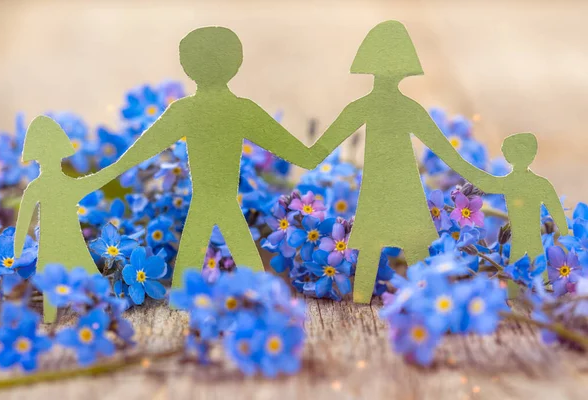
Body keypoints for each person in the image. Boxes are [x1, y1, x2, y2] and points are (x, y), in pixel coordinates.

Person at [111, 27, 320, 286]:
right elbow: (301, 154)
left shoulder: (185, 109)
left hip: (207, 199)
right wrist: (323, 148)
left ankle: (183, 298)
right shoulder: (241, 109)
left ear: (187, 66)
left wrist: (109, 173)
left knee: (189, 265)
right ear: (235, 63)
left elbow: (143, 150)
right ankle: (258, 297)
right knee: (246, 262)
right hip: (223, 199)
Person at [310, 21, 481, 303]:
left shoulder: (364, 106)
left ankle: (367, 298)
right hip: (399, 187)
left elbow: (319, 150)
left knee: (381, 242)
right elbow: (447, 153)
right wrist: (479, 176)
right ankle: (425, 297)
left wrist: (298, 154)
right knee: (411, 243)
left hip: (385, 187)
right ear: (405, 66)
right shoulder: (408, 108)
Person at [14, 116, 121, 321]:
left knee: (69, 277)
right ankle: (58, 315)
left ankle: (100, 306)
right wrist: (18, 250)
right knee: (66, 278)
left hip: (63, 243)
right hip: (57, 244)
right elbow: (23, 220)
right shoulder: (40, 188)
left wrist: (116, 168)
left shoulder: (46, 186)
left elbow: (23, 222)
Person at [449, 133, 568, 295]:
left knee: (536, 274)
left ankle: (540, 295)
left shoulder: (536, 183)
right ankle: (523, 296)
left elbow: (555, 208)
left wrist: (565, 236)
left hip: (529, 236)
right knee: (517, 273)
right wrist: (460, 165)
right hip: (518, 236)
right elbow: (485, 182)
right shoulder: (526, 182)